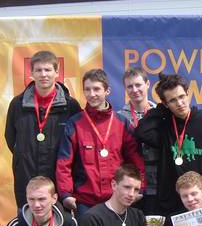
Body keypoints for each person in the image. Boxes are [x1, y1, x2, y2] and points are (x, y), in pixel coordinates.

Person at [134, 73, 202, 215]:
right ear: (165, 104)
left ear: (188, 94)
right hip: (170, 207)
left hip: (200, 204)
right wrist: (161, 110)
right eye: (172, 100)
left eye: (181, 96)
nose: (179, 103)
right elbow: (142, 132)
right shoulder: (164, 125)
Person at [56, 69, 145, 217]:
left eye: (96, 89)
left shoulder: (121, 123)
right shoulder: (75, 123)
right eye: (87, 89)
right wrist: (65, 194)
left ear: (107, 91)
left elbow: (135, 159)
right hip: (85, 202)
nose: (92, 94)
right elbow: (64, 162)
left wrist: (140, 187)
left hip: (117, 199)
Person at [5, 50, 81, 208]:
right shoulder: (17, 104)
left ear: (57, 72)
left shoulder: (70, 106)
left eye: (48, 70)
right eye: (38, 70)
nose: (43, 74)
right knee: (27, 220)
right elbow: (10, 138)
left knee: (60, 222)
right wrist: (25, 156)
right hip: (26, 177)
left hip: (59, 180)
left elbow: (78, 142)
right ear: (31, 73)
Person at [117, 67, 159, 215]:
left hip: (159, 184)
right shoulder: (119, 118)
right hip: (131, 186)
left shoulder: (160, 114)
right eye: (130, 86)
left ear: (147, 84)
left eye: (138, 85)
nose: (134, 90)